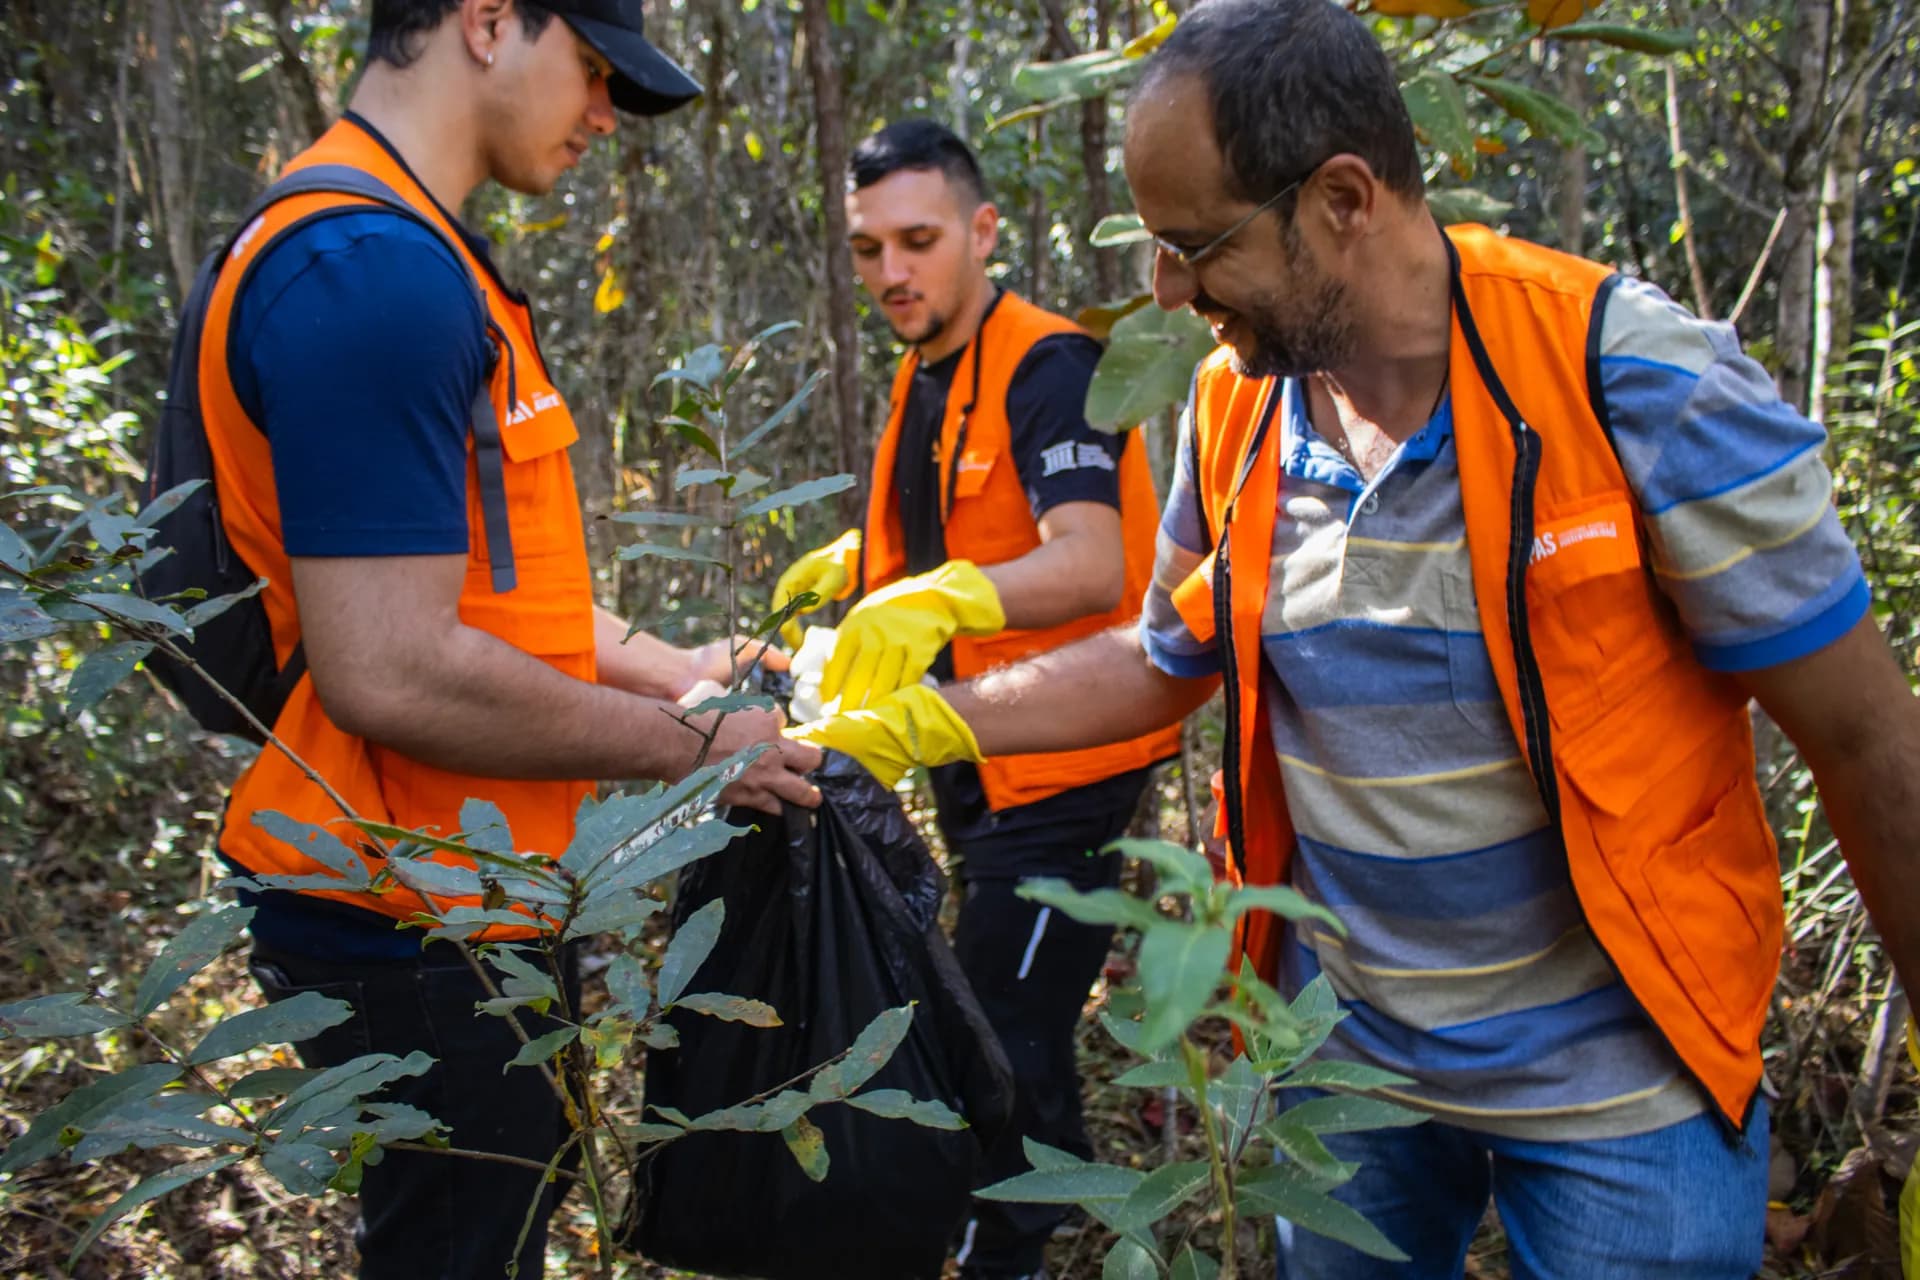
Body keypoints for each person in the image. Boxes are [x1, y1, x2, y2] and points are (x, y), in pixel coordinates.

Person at [792, 2, 1920, 1276]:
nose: (1166, 289)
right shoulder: (1235, 404)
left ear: (1342, 199)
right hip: (1345, 1071)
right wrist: (933, 715)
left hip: (1627, 1083)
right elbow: (1164, 656)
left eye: (1194, 245)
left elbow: (1868, 735)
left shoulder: (1627, 379)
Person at [196, 2, 821, 1275]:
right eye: (594, 70)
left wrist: (669, 666)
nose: (603, 113)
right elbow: (391, 662)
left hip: (463, 892)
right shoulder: (369, 274)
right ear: (487, 21)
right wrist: (697, 746)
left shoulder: (412, 256)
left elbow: (468, 597)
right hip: (403, 909)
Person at [779, 121, 1180, 1280]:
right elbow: (971, 517)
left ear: (982, 230)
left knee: (1002, 1026)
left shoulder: (1050, 364)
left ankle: (1005, 1248)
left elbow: (1090, 559)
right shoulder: (931, 372)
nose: (892, 273)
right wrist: (859, 563)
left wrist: (938, 596)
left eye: (917, 241)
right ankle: (1061, 1188)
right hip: (975, 749)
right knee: (1006, 1013)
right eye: (867, 250)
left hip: (1066, 761)